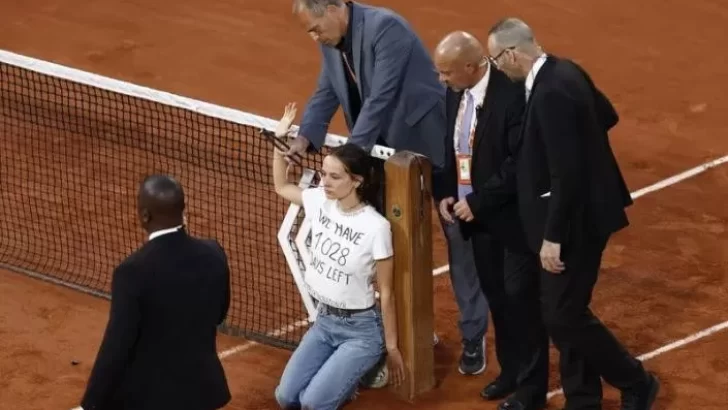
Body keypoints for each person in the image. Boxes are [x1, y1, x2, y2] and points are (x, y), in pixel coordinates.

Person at [487, 18, 660, 410]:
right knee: (566, 310)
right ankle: (583, 399)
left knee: (563, 315)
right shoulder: (566, 70)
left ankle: (636, 380)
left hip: (576, 224)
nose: (497, 68)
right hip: (583, 213)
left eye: (497, 59)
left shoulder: (549, 92)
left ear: (512, 54)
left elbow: (566, 172)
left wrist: (553, 236)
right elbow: (607, 114)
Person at [433, 31, 549, 410]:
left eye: (447, 72)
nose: (442, 80)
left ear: (471, 66)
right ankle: (512, 372)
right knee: (498, 298)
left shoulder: (513, 95)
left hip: (513, 221)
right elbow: (455, 148)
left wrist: (479, 201)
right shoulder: (456, 93)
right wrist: (448, 190)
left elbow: (519, 162)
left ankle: (532, 391)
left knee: (522, 303)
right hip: (477, 219)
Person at [271, 103, 406, 409]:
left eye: (334, 177)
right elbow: (281, 186)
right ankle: (345, 375)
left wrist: (393, 347)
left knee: (312, 404)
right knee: (285, 397)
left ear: (357, 181)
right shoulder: (320, 201)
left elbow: (385, 293)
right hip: (324, 321)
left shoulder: (376, 227)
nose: (325, 182)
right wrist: (280, 143)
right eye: (323, 174)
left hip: (361, 332)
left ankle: (364, 365)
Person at [74, 175, 232, 410]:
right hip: (204, 392)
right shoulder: (214, 252)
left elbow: (117, 345)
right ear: (182, 211)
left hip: (154, 400)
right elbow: (219, 313)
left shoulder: (132, 272)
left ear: (144, 216)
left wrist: (90, 405)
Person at [285, 0, 447, 171]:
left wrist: (352, 152)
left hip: (420, 133)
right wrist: (304, 138)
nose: (315, 37)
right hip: (380, 137)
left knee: (437, 195)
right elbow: (326, 93)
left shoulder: (385, 27)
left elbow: (380, 96)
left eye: (316, 29)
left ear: (332, 10)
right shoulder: (330, 40)